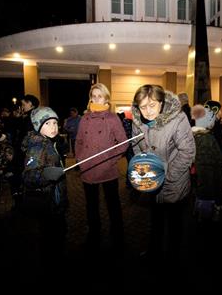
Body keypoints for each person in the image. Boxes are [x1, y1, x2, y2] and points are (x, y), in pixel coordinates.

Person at [131, 84, 195, 263]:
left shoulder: (178, 118)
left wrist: (168, 175)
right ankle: (154, 252)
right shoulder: (137, 121)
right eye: (143, 107)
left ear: (162, 102)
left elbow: (187, 151)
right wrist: (143, 167)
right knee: (155, 219)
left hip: (174, 179)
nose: (148, 111)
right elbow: (135, 145)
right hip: (152, 180)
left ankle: (173, 258)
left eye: (152, 105)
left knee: (175, 223)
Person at [75, 83, 128, 254]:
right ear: (91, 98)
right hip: (88, 168)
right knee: (91, 205)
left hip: (107, 169)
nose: (97, 99)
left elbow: (124, 143)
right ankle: (94, 232)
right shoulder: (85, 118)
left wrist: (111, 159)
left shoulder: (112, 118)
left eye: (100, 95)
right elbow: (79, 141)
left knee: (113, 204)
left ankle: (118, 233)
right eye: (94, 95)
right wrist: (80, 159)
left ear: (106, 98)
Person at [21, 106, 69, 263]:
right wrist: (48, 174)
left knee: (57, 233)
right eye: (48, 123)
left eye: (55, 123)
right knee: (52, 236)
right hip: (46, 200)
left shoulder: (48, 142)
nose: (53, 127)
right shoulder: (37, 146)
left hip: (53, 198)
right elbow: (29, 176)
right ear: (37, 125)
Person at [191, 103, 222, 222]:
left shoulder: (200, 136)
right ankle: (205, 217)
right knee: (206, 194)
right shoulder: (206, 139)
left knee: (202, 192)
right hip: (209, 174)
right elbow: (207, 162)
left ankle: (200, 211)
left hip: (206, 172)